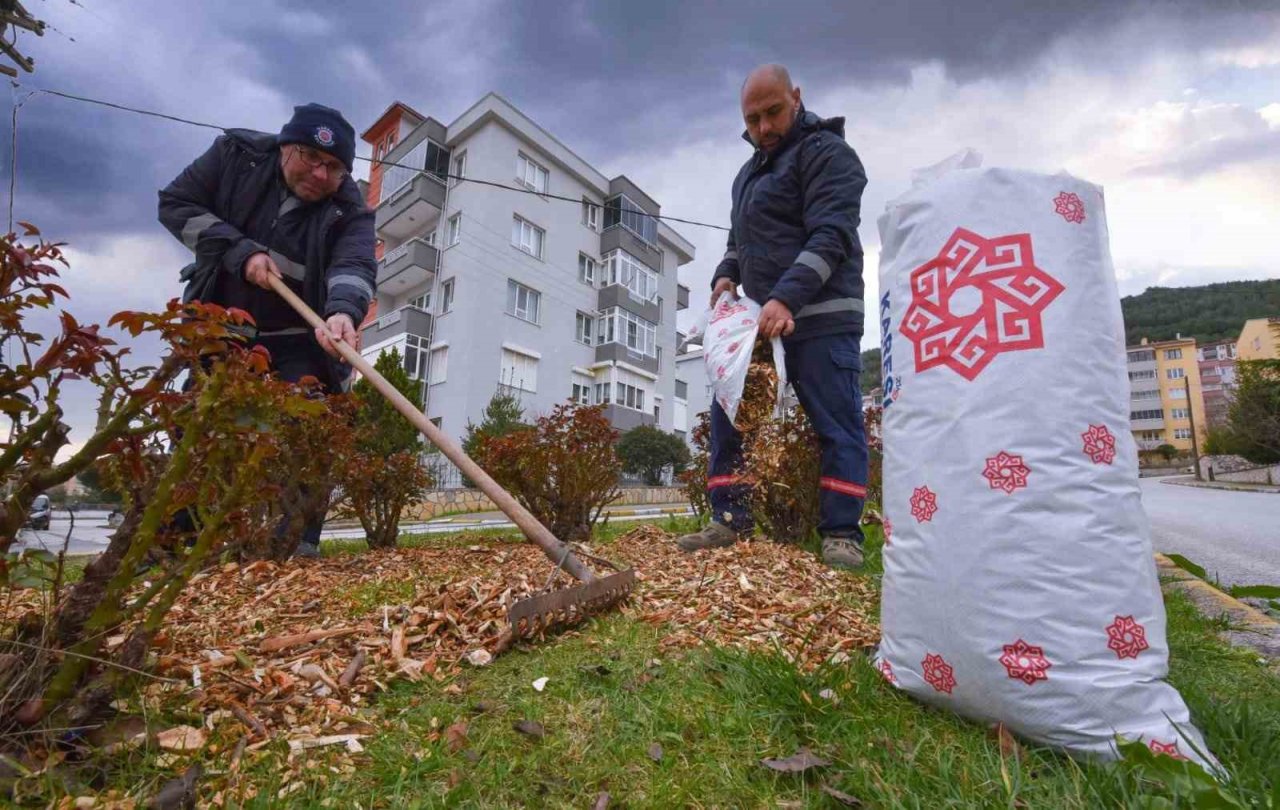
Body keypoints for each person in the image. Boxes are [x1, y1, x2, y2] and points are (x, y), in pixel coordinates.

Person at [158, 103, 376, 557]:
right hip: (223, 328)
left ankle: (294, 544)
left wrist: (343, 313)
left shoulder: (349, 206)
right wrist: (239, 250)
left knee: (312, 420)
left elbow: (353, 263)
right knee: (200, 427)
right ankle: (175, 544)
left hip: (299, 336)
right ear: (284, 147)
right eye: (309, 158)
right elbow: (176, 203)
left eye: (333, 167)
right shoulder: (234, 157)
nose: (319, 174)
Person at [676, 64, 870, 568]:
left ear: (797, 98)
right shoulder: (748, 175)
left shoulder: (828, 154)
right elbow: (740, 240)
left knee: (836, 422)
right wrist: (724, 274)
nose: (763, 127)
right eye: (753, 117)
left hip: (823, 315)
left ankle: (842, 533)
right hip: (758, 323)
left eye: (773, 112)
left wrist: (787, 297)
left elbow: (832, 234)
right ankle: (730, 520)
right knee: (732, 415)